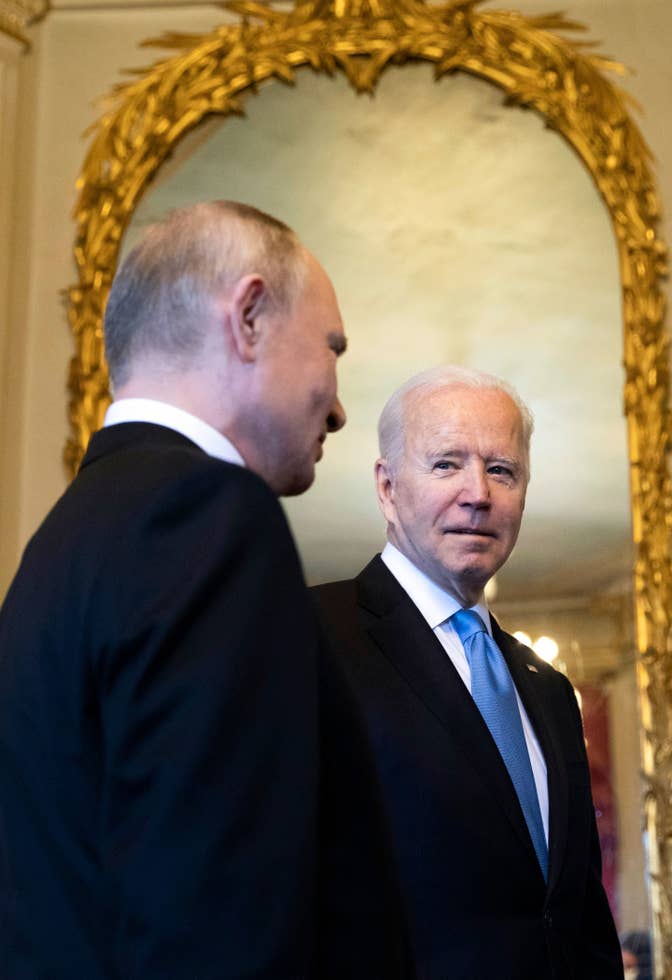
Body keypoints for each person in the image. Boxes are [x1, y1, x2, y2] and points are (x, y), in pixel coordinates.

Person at [0, 202, 408, 979]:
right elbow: (217, 924)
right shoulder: (210, 516)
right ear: (249, 316)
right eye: (332, 350)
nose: (341, 405)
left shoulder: (59, 547)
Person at [312, 365, 624, 979]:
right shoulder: (309, 636)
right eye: (446, 464)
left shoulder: (550, 689)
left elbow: (577, 913)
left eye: (501, 470)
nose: (478, 493)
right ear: (387, 487)